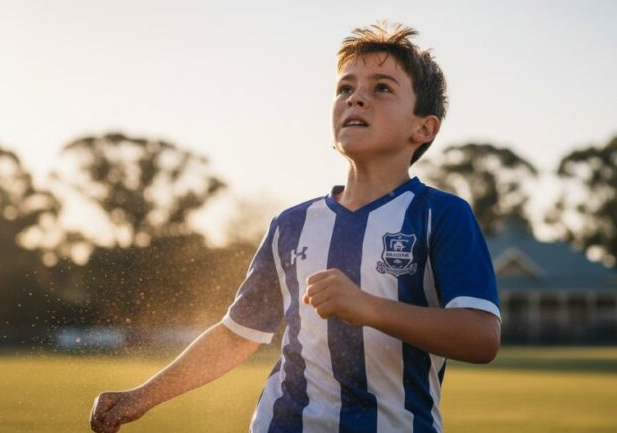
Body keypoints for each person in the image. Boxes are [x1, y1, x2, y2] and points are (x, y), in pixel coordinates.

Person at [90, 22, 501, 433]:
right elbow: (239, 335)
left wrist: (369, 307)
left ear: (423, 128)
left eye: (382, 88)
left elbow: (481, 336)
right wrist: (141, 397)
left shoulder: (441, 215)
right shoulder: (292, 225)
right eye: (345, 88)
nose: (357, 97)